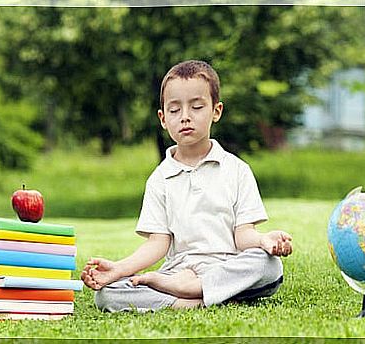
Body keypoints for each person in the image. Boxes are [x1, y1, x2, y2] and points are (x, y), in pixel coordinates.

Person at [81, 60, 293, 312]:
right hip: (177, 273)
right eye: (174, 110)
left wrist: (263, 241)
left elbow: (243, 235)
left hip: (226, 267)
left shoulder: (237, 170)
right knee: (107, 295)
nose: (185, 117)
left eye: (196, 107)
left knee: (268, 266)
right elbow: (157, 244)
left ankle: (195, 291)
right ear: (162, 118)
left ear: (216, 111)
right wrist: (118, 269)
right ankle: (193, 299)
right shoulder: (160, 179)